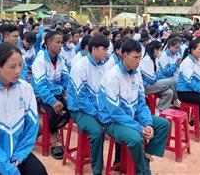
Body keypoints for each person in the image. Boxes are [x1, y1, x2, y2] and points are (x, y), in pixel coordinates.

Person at [0, 43, 47, 175]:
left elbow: (31, 127)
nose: (18, 71)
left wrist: (19, 155)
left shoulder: (25, 89)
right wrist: (7, 168)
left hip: (18, 151)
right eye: (12, 66)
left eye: (20, 65)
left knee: (39, 172)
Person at [98, 39, 170, 175]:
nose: (138, 61)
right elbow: (115, 112)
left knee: (164, 125)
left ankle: (145, 158)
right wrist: (139, 127)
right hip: (113, 121)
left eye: (139, 57)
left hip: (133, 117)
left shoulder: (136, 74)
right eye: (135, 57)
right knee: (136, 139)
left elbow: (141, 104)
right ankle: (142, 170)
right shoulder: (112, 76)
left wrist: (147, 123)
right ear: (124, 56)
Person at [67, 34, 110, 175]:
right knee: (97, 132)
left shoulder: (103, 66)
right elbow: (81, 99)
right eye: (104, 49)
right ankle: (97, 170)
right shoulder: (80, 66)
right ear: (94, 49)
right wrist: (98, 114)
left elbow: (104, 92)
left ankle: (117, 163)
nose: (106, 52)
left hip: (95, 108)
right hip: (79, 109)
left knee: (118, 123)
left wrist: (104, 111)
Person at [31, 32, 70, 159]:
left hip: (56, 95)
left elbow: (66, 80)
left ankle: (49, 129)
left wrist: (69, 95)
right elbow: (40, 87)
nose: (61, 45)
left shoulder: (60, 60)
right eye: (58, 42)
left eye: (61, 42)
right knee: (54, 110)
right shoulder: (40, 61)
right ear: (48, 44)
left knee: (73, 107)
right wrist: (52, 101)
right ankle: (53, 139)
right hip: (40, 97)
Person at [139, 40, 179, 115]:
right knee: (170, 81)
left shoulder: (154, 59)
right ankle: (175, 100)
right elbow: (152, 79)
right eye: (160, 49)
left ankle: (158, 110)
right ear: (155, 50)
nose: (161, 52)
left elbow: (157, 74)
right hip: (145, 86)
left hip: (152, 84)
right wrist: (159, 77)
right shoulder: (147, 59)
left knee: (169, 92)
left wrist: (158, 77)